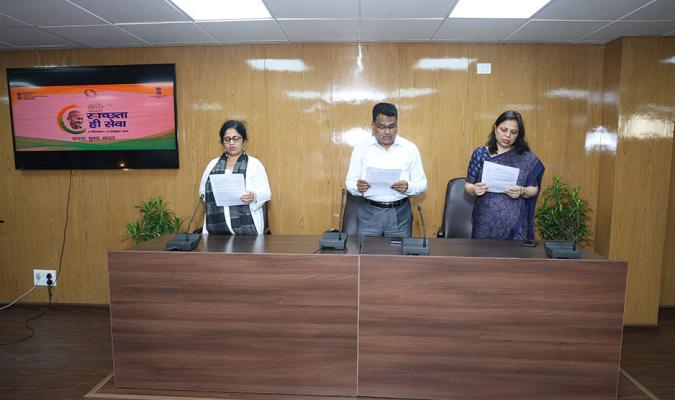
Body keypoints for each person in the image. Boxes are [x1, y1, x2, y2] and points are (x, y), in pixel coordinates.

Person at [345, 102, 427, 237]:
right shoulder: (361, 148)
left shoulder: (409, 149)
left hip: (400, 214)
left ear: (397, 125)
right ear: (373, 126)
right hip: (369, 213)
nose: (388, 132)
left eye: (392, 127)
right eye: (382, 127)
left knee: (398, 256)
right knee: (367, 256)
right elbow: (349, 182)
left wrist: (408, 186)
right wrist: (358, 186)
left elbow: (422, 184)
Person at [464, 110, 545, 240]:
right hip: (484, 221)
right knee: (483, 259)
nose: (507, 135)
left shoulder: (526, 158)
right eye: (503, 130)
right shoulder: (480, 153)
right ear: (495, 128)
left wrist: (522, 190)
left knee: (513, 260)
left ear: (518, 135)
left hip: (515, 226)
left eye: (513, 132)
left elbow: (534, 189)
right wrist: (474, 189)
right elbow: (468, 185)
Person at [199, 120, 271, 235]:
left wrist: (253, 196)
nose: (231, 143)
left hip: (248, 226)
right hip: (215, 226)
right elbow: (203, 193)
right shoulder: (212, 165)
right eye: (227, 139)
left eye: (236, 138)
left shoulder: (255, 164)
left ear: (244, 140)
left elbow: (266, 193)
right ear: (223, 142)